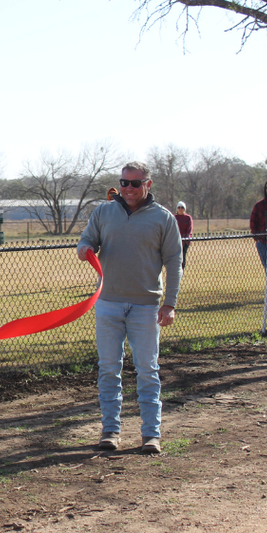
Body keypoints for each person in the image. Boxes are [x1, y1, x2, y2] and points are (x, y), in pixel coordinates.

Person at [77, 161, 182, 454]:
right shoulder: (104, 212)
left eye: (135, 184)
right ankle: (110, 431)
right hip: (107, 304)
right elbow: (86, 239)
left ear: (148, 184)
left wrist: (169, 303)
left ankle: (151, 434)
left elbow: (174, 262)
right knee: (109, 369)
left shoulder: (163, 219)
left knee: (147, 370)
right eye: (124, 183)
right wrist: (84, 249)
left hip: (146, 307)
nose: (129, 189)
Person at [175, 201, 192, 270]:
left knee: (183, 256)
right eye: (179, 207)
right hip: (175, 241)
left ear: (185, 209)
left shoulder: (188, 218)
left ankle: (181, 270)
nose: (180, 209)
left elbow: (190, 228)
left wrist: (188, 238)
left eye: (182, 207)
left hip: (185, 241)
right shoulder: (174, 217)